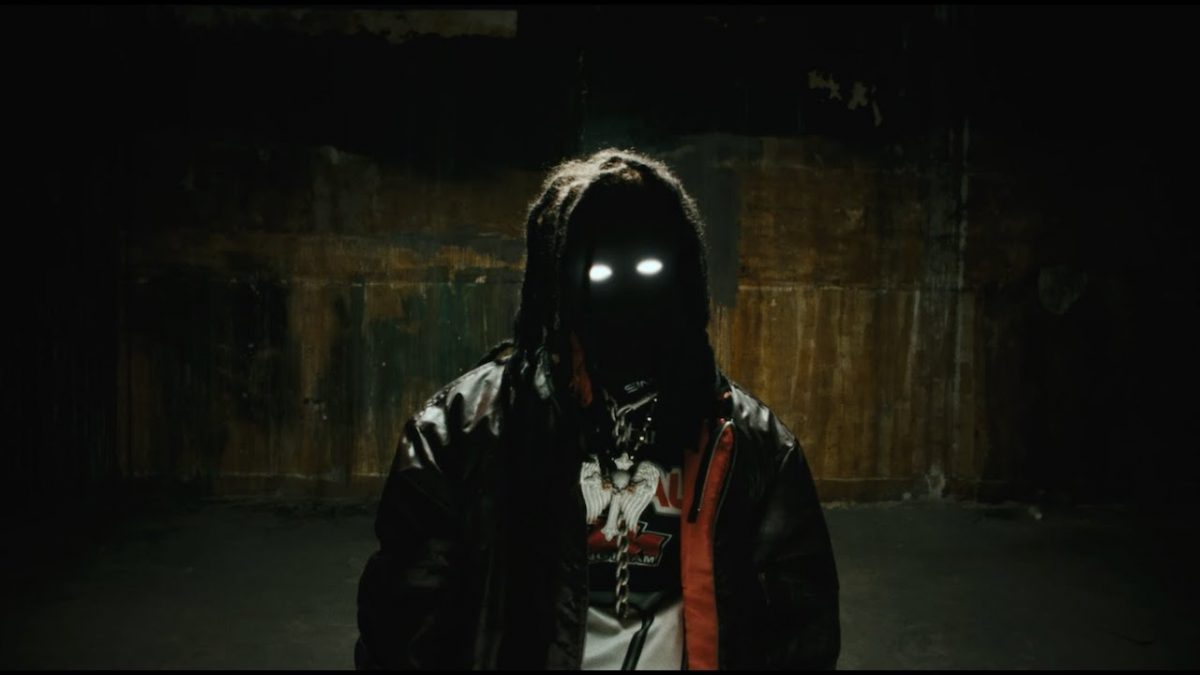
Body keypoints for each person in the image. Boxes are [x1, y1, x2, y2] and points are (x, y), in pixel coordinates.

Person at [354, 149, 841, 670]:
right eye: (602, 270)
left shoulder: (752, 446)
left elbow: (799, 636)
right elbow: (403, 630)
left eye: (651, 266)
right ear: (555, 285)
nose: (630, 290)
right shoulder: (458, 434)